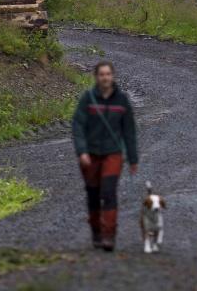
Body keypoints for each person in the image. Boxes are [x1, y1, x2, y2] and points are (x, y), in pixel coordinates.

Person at [71, 60, 139, 251]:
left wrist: (133, 159)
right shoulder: (88, 98)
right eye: (102, 74)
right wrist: (82, 151)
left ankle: (109, 235)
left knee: (109, 192)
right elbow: (78, 126)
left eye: (108, 74)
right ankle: (96, 232)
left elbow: (129, 131)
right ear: (96, 77)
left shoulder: (122, 100)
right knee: (93, 194)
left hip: (113, 154)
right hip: (90, 155)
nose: (105, 78)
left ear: (113, 76)